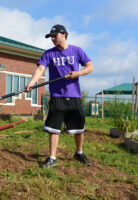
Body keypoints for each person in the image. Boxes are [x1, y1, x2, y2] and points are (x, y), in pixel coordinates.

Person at [26, 24, 94, 168]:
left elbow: (90, 67)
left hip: (74, 96)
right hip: (57, 97)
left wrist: (78, 73)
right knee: (53, 128)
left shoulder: (77, 51)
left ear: (64, 34)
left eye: (54, 35)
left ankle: (79, 152)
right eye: (50, 36)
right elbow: (40, 69)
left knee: (78, 128)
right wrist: (31, 83)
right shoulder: (49, 54)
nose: (52, 38)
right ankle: (52, 158)